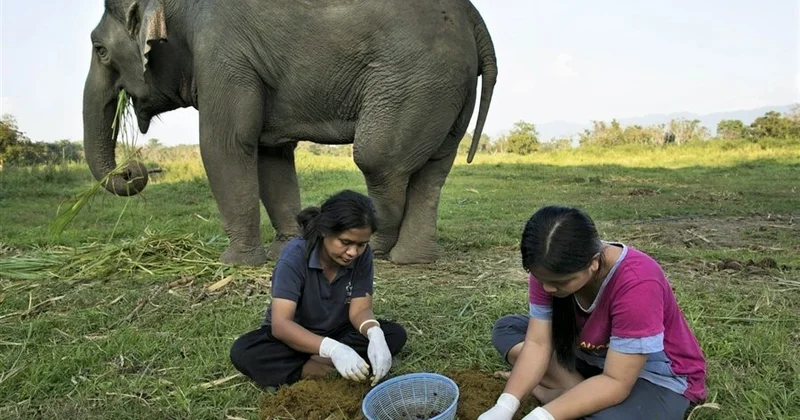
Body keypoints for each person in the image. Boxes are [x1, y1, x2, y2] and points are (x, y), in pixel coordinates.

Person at [479, 205, 707, 420]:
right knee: (508, 329)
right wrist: (505, 405)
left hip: (649, 376)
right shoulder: (549, 269)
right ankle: (580, 394)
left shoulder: (638, 283)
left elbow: (617, 382)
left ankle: (561, 395)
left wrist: (543, 415)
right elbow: (538, 344)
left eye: (560, 282)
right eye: (540, 279)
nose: (547, 288)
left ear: (594, 263)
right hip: (593, 354)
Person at [230, 189, 407, 388]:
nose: (353, 252)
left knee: (393, 333)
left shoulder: (361, 256)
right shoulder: (295, 256)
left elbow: (360, 310)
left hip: (339, 331)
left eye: (362, 244)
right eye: (345, 242)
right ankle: (309, 368)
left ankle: (323, 364)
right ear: (325, 231)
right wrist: (333, 350)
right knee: (245, 352)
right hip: (294, 337)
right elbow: (281, 325)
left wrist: (374, 333)